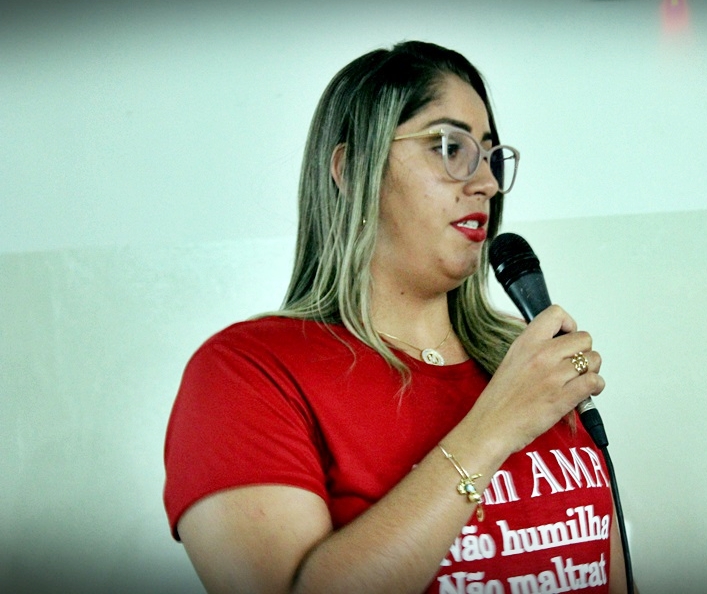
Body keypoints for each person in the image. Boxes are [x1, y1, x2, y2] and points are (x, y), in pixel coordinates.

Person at [164, 40, 628, 593]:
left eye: (489, 156)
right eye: (449, 146)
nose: (485, 183)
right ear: (352, 168)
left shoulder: (529, 366)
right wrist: (495, 425)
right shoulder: (246, 374)